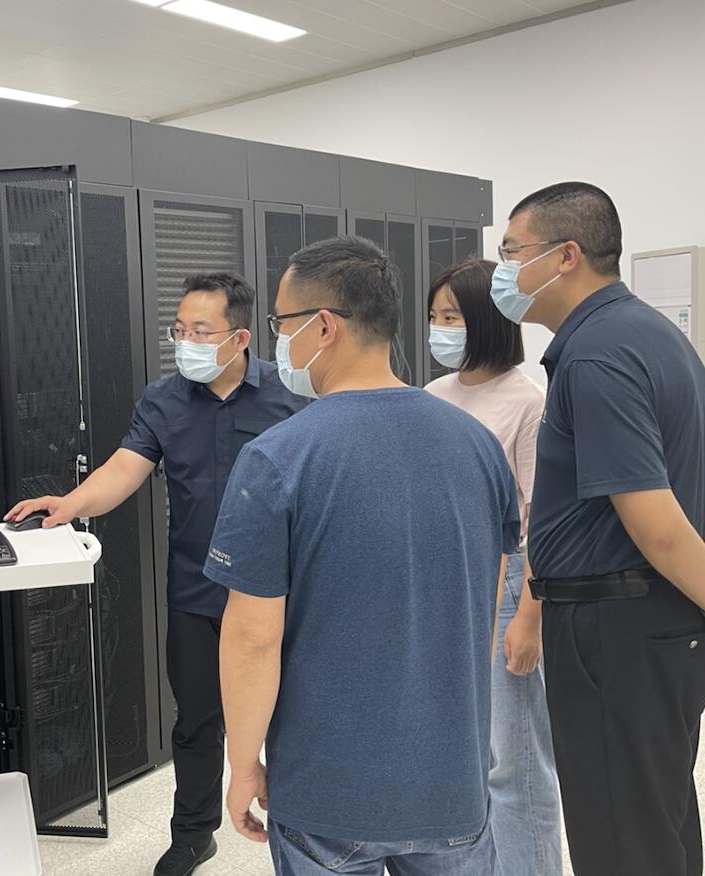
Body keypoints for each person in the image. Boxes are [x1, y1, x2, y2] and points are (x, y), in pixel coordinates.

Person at [494, 181, 705, 875]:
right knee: (655, 817)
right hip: (657, 625)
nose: (503, 270)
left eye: (512, 251)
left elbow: (655, 521)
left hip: (613, 631)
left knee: (620, 839)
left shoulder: (596, 354)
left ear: (565, 255)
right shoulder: (658, 337)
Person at [204, 236, 519, 876]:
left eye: (282, 324)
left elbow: (253, 639)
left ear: (324, 327)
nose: (278, 342)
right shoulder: (478, 445)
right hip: (452, 786)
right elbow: (486, 604)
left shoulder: (277, 458)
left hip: (329, 797)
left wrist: (242, 767)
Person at [6, 272, 307, 876]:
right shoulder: (163, 400)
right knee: (196, 722)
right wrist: (71, 503)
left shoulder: (291, 394)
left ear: (241, 337)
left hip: (280, 592)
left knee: (292, 720)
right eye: (179, 330)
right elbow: (125, 468)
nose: (185, 342)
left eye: (201, 331)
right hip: (196, 589)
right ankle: (193, 836)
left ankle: (298, 831)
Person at [426, 258, 562, 875]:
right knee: (466, 754)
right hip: (447, 583)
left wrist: (529, 617)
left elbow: (544, 521)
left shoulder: (528, 402)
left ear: (486, 319)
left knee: (516, 760)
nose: (439, 329)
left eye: (452, 317)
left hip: (508, 585)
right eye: (434, 316)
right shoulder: (432, 396)